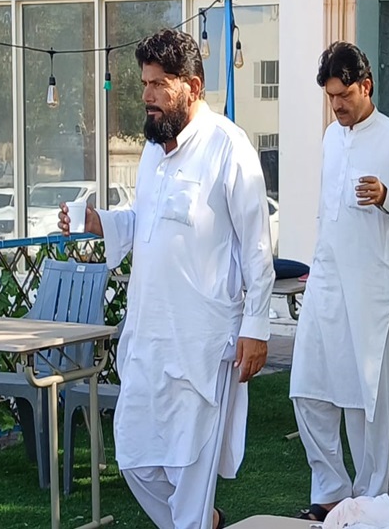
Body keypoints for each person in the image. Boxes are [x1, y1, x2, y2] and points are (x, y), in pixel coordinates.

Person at [58, 28, 274, 529]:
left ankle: (198, 520)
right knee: (135, 457)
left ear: (192, 87)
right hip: (149, 336)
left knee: (190, 469)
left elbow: (258, 248)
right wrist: (99, 222)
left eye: (159, 84)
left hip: (204, 343)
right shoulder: (154, 150)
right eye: (145, 84)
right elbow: (146, 222)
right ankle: (204, 522)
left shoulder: (228, 147)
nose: (148, 95)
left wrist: (257, 327)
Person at [290, 42, 389, 522]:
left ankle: (370, 502)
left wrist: (387, 195)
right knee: (308, 389)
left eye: (344, 95)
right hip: (326, 281)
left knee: (365, 403)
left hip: (373, 292)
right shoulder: (331, 137)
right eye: (331, 96)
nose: (337, 105)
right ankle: (330, 490)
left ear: (365, 86)